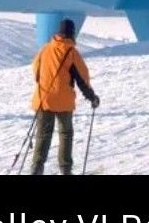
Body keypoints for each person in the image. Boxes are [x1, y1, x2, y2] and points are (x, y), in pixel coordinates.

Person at [28, 18, 98, 175]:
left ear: (58, 33)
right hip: (64, 101)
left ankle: (36, 168)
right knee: (65, 134)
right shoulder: (72, 52)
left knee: (43, 134)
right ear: (72, 34)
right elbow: (82, 79)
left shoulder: (45, 49)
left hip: (43, 99)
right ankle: (65, 169)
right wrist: (92, 97)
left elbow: (36, 70)